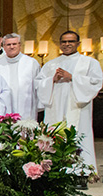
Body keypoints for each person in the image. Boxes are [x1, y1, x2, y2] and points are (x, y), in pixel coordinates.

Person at [35, 30, 103, 176]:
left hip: (79, 107)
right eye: (64, 42)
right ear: (60, 44)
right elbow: (38, 84)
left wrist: (72, 77)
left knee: (80, 135)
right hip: (56, 107)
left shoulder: (90, 63)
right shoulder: (51, 64)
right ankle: (55, 171)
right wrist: (51, 80)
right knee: (54, 135)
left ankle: (82, 173)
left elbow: (97, 82)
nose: (67, 44)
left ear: (78, 43)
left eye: (71, 41)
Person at [0, 33, 40, 120]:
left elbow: (39, 86)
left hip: (26, 107)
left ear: (20, 45)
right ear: (4, 46)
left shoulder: (31, 63)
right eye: (8, 44)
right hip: (4, 109)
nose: (12, 47)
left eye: (14, 44)